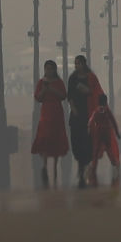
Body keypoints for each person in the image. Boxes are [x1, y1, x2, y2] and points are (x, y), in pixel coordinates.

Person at [67, 55, 105, 188]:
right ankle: (80, 166)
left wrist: (87, 90)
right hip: (76, 115)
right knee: (76, 141)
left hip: (89, 113)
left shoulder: (91, 77)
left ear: (84, 64)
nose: (77, 66)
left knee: (88, 142)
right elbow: (69, 96)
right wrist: (73, 109)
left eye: (79, 63)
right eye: (75, 63)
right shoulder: (72, 78)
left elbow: (97, 93)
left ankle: (86, 168)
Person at [31, 60, 69, 188]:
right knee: (44, 137)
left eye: (51, 69)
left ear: (54, 70)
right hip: (46, 112)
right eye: (46, 68)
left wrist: (51, 89)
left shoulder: (59, 82)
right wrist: (44, 89)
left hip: (56, 112)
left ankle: (55, 167)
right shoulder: (41, 83)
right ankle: (45, 165)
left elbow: (63, 95)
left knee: (56, 137)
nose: (49, 71)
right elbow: (38, 97)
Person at [86, 94, 120, 187]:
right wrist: (116, 132)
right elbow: (113, 121)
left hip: (99, 132)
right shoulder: (107, 110)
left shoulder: (96, 110)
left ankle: (94, 168)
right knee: (109, 150)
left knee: (96, 151)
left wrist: (89, 130)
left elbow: (91, 121)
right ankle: (114, 165)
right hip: (107, 132)